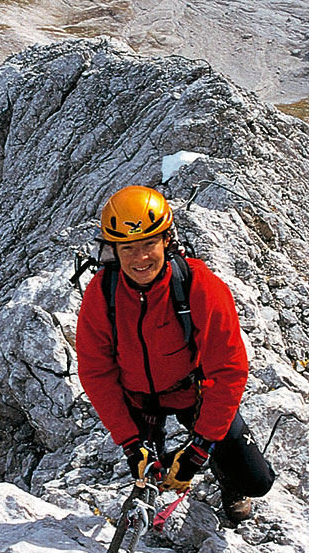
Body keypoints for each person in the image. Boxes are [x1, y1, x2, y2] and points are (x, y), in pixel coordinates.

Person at [76, 185, 275, 523]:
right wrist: (130, 441)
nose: (140, 258)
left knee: (256, 481)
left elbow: (228, 370)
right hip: (138, 400)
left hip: (191, 393)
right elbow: (96, 372)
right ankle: (154, 461)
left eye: (148, 244)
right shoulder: (102, 294)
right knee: (146, 470)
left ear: (167, 240)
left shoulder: (200, 286)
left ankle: (228, 481)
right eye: (128, 248)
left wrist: (199, 450)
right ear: (113, 250)